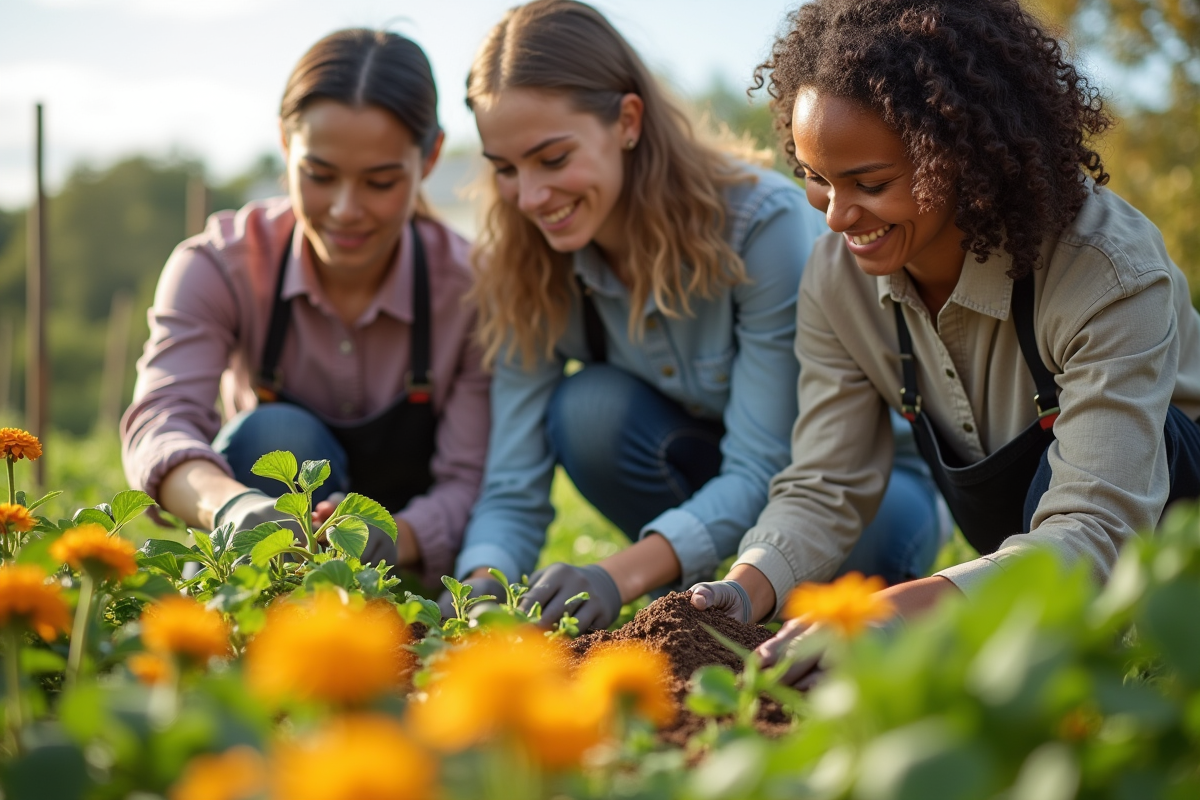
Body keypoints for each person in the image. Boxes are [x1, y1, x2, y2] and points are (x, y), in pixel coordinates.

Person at [690, 0, 1200, 683]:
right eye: (815, 177)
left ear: (958, 156)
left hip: (1160, 546)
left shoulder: (1105, 268)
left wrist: (902, 613)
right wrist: (746, 587)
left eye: (869, 184)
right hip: (1035, 561)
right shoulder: (837, 277)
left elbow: (1098, 524)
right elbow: (826, 481)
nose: (838, 216)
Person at [448, 0, 949, 630]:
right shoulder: (525, 263)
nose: (529, 197)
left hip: (852, 496)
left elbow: (768, 466)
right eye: (504, 169)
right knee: (590, 410)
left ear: (627, 120)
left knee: (847, 560)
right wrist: (478, 587)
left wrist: (616, 575)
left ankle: (725, 594)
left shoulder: (758, 227)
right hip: (716, 485)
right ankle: (715, 597)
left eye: (552, 160)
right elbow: (512, 484)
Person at [121, 29, 490, 587]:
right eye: (319, 176)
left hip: (406, 572)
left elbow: (472, 481)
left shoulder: (472, 290)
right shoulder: (221, 264)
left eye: (381, 182)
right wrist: (233, 508)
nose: (345, 210)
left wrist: (395, 536)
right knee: (277, 437)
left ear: (431, 156)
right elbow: (160, 422)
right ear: (285, 143)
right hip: (266, 547)